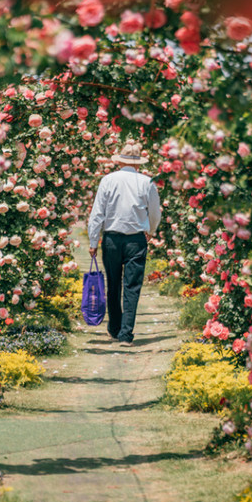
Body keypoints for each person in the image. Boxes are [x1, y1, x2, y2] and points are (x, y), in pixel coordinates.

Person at [87, 139, 161, 347]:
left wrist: (93, 240)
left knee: (113, 283)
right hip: (136, 239)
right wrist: (151, 231)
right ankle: (126, 334)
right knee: (132, 286)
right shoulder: (147, 182)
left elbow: (97, 213)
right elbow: (155, 213)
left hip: (111, 238)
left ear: (119, 161)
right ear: (138, 164)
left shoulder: (108, 180)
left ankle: (114, 328)